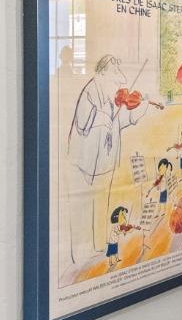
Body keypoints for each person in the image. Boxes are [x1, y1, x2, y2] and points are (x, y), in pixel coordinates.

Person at [65, 54, 159, 269]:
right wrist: (109, 115)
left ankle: (98, 245)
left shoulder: (111, 97)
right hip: (86, 163)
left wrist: (143, 104)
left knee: (101, 204)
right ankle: (81, 255)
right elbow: (82, 123)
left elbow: (125, 120)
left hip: (105, 162)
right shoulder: (90, 91)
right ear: (103, 72)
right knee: (82, 205)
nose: (118, 85)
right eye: (115, 77)